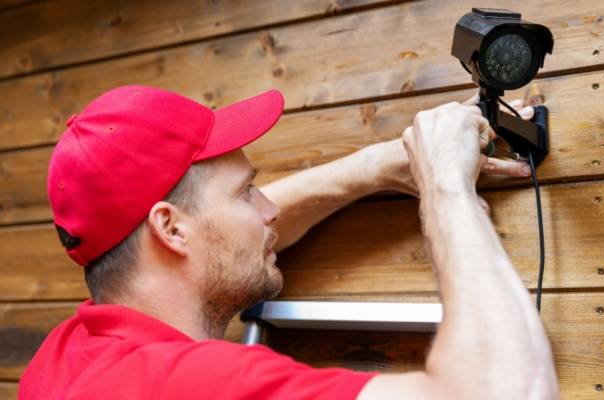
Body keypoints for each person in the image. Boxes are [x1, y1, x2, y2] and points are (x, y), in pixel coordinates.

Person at [19, 85, 558, 399]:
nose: (271, 208)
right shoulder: (188, 384)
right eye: (247, 191)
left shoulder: (65, 358)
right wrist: (445, 187)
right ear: (170, 229)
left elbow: (210, 233)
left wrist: (370, 169)